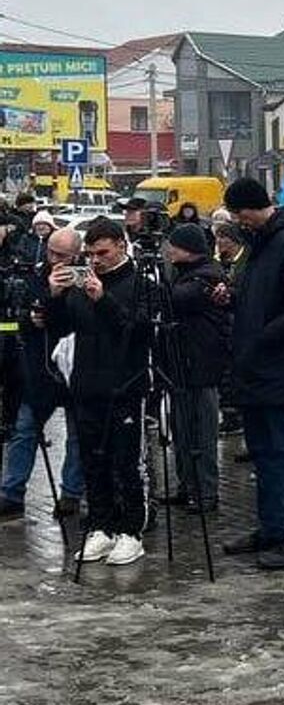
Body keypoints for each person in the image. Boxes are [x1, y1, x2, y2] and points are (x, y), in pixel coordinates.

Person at [221, 177, 284, 571]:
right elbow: (259, 298)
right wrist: (232, 299)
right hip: (251, 366)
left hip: (278, 366)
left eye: (239, 214)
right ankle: (273, 528)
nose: (237, 222)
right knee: (263, 453)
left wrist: (266, 334)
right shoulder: (257, 245)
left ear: (251, 208)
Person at [47, 218, 157, 566]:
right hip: (86, 385)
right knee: (93, 460)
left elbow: (140, 331)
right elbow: (61, 327)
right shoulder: (81, 283)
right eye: (91, 254)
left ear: (121, 246)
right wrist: (54, 298)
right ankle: (101, 526)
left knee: (127, 462)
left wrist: (103, 299)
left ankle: (131, 531)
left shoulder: (141, 283)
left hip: (125, 386)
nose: (96, 260)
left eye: (103, 253)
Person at [0, 227, 86, 520]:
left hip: (74, 368)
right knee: (24, 430)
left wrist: (55, 299)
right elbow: (19, 318)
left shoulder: (84, 279)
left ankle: (71, 493)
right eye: (51, 251)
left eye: (61, 255)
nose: (54, 259)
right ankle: (12, 492)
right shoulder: (35, 275)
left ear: (75, 255)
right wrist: (31, 318)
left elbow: (79, 319)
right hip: (40, 367)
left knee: (77, 435)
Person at [158, 223, 230, 513]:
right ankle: (187, 485)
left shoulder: (207, 275)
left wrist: (158, 275)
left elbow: (174, 299)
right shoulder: (183, 273)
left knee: (202, 432)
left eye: (174, 246)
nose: (169, 251)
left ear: (188, 249)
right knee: (182, 430)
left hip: (201, 365)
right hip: (181, 364)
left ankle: (206, 492)